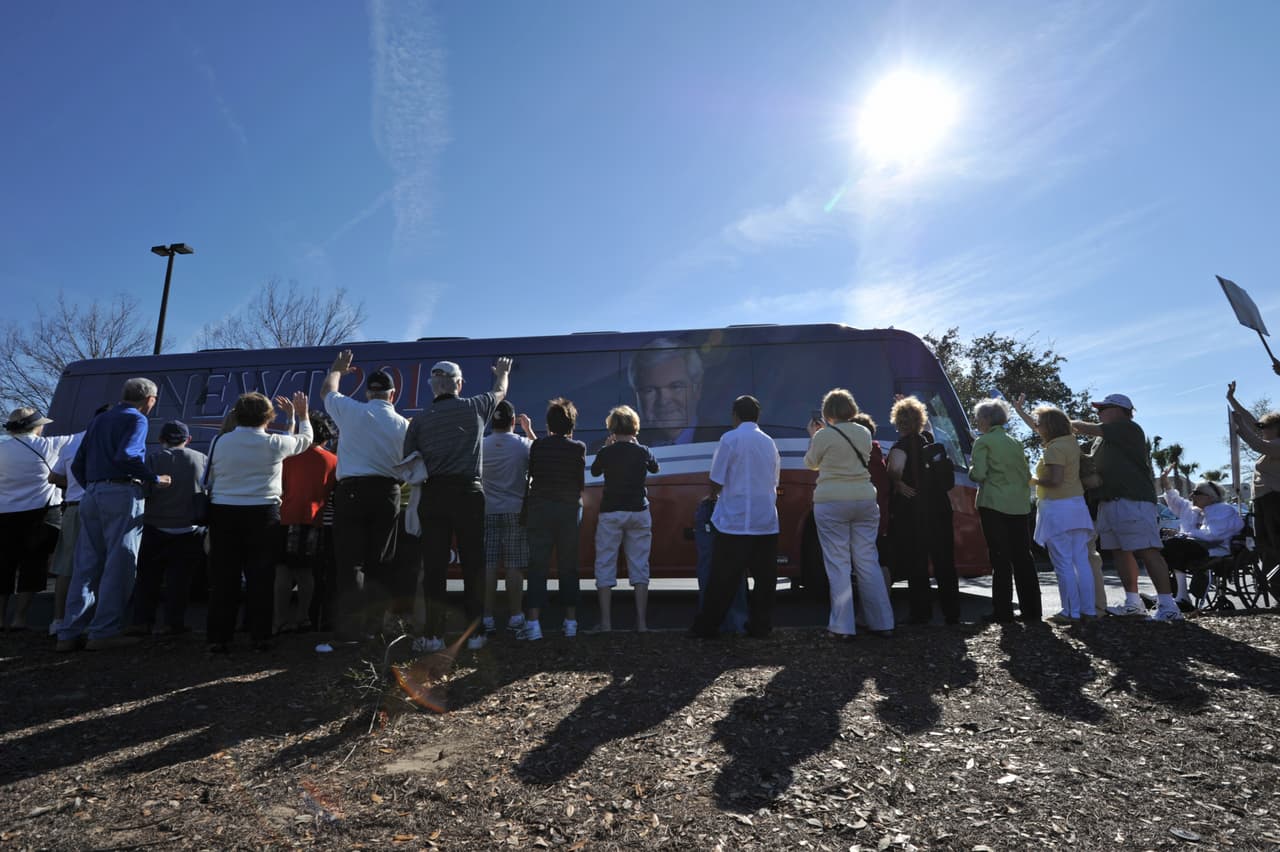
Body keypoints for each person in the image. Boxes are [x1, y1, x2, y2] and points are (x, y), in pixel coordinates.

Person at [404, 357, 512, 652]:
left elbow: (409, 464)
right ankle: (474, 634)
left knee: (435, 566)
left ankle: (433, 635)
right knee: (473, 564)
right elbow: (500, 392)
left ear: (432, 387)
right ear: (459, 384)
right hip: (468, 493)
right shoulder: (475, 407)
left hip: (434, 493)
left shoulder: (420, 420)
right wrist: (502, 373)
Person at [58, 379, 172, 651]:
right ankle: (103, 632)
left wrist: (93, 486)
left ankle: (69, 632)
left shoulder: (100, 420)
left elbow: (78, 463)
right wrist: (154, 478)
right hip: (121, 492)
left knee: (86, 564)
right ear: (150, 400)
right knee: (119, 564)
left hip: (92, 494)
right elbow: (127, 456)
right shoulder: (137, 420)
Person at [205, 391, 313, 652]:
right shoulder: (274, 444)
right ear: (268, 416)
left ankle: (219, 638)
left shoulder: (219, 441)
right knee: (261, 577)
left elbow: (209, 480)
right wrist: (302, 415)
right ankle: (260, 635)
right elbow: (305, 440)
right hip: (262, 513)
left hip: (223, 511)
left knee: (224, 577)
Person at [1070, 393, 1181, 621]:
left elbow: (1082, 428)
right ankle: (1133, 603)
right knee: (1120, 551)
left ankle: (1168, 606)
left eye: (1103, 408)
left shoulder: (1128, 428)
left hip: (1133, 500)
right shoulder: (1102, 438)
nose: (1099, 412)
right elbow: (1084, 456)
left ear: (1120, 409)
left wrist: (1061, 423)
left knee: (1148, 550)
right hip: (1109, 500)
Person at [323, 351, 410, 637]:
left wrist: (336, 369)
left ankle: (351, 629)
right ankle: (376, 628)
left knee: (350, 562)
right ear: (392, 394)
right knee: (381, 561)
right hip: (387, 492)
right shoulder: (403, 425)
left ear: (368, 392)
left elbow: (328, 391)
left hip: (350, 492)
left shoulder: (351, 411)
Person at [804, 389, 893, 639]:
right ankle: (883, 622)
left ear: (828, 412)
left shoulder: (824, 435)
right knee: (868, 561)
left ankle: (842, 627)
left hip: (832, 501)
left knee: (838, 563)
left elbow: (811, 463)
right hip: (865, 499)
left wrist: (814, 436)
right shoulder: (864, 432)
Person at [690, 395, 781, 638]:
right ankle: (761, 626)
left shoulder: (729, 439)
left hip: (735, 521)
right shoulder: (769, 442)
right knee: (765, 581)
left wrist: (711, 497)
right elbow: (774, 479)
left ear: (735, 415)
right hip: (765, 522)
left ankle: (707, 627)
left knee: (722, 579)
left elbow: (717, 478)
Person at [517, 398, 586, 641]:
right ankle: (570, 623)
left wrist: (529, 432)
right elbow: (580, 484)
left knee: (538, 565)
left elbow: (535, 467)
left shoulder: (538, 447)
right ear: (571, 425)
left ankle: (534, 624)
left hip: (540, 509)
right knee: (569, 566)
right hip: (568, 510)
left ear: (549, 424)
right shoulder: (578, 448)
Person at [129, 420, 207, 636]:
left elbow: (143, 491)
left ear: (161, 439)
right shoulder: (200, 459)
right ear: (188, 439)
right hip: (189, 529)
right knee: (180, 581)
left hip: (155, 526)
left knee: (148, 579)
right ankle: (174, 623)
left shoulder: (153, 460)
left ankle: (142, 621)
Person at [1021, 403, 1096, 624]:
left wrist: (1030, 479)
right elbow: (1036, 427)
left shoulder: (1054, 449)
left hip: (1057, 508)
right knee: (1081, 561)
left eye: (1040, 423)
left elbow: (1054, 481)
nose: (1037, 426)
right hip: (1077, 507)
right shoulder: (1071, 442)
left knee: (1063, 562)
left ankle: (1070, 612)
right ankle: (1088, 611)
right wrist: (1019, 411)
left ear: (1049, 427)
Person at [887, 396, 959, 625]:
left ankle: (921, 612)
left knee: (917, 562)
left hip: (915, 511)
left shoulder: (901, 446)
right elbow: (925, 426)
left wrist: (897, 483)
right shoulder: (930, 441)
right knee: (944, 562)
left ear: (898, 423)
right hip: (940, 509)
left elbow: (895, 468)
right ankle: (952, 612)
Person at [1, 407, 74, 631]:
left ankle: (0, 619)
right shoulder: (50, 445)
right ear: (37, 426)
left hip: (3, 515)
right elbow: (84, 435)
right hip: (42, 514)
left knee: (3, 567)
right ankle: (19, 618)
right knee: (34, 566)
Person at [968, 397, 1038, 624]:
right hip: (1019, 505)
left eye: (978, 418)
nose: (977, 422)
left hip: (994, 504)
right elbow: (1027, 476)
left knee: (1000, 559)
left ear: (987, 419)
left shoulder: (983, 442)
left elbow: (978, 474)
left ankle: (1003, 611)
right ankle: (1032, 611)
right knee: (1023, 558)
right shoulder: (1015, 442)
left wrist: (970, 469)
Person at [591, 404, 660, 633]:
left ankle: (606, 623)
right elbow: (655, 468)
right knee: (640, 566)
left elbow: (595, 472)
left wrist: (606, 447)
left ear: (612, 428)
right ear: (634, 427)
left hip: (611, 512)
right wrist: (637, 446)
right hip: (639, 511)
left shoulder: (606, 452)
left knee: (605, 564)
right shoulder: (643, 451)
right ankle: (641, 623)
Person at [275, 411, 338, 633]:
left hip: (286, 515)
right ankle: (304, 617)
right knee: (306, 572)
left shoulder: (289, 457)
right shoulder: (333, 460)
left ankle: (280, 619)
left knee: (283, 570)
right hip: (315, 519)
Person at [47, 407, 107, 635]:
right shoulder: (110, 440)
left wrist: (73, 486)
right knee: (98, 565)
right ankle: (93, 622)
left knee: (67, 567)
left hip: (73, 508)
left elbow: (53, 477)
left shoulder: (72, 442)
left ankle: (59, 620)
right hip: (100, 507)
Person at [480, 401, 536, 635]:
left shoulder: (480, 446)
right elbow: (541, 450)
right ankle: (515, 616)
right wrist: (529, 429)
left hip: (487, 510)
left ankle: (487, 618)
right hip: (516, 510)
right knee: (514, 566)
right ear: (513, 421)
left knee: (489, 566)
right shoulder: (524, 445)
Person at [1159, 473, 1243, 610]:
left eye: (1196, 493)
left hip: (1216, 548)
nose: (1192, 496)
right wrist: (1166, 484)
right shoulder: (1192, 509)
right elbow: (1175, 501)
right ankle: (1172, 596)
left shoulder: (1223, 510)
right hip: (1196, 546)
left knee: (1174, 545)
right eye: (1192, 492)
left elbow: (1213, 535)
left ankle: (1182, 597)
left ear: (1210, 497)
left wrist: (1183, 535)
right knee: (1163, 547)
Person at [1227, 381, 1280, 593]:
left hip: (1275, 500)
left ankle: (1276, 583)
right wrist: (1232, 400)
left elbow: (1257, 443)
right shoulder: (1270, 445)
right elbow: (1251, 420)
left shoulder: (1276, 445)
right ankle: (1274, 585)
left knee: (1276, 543)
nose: (1261, 429)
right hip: (1263, 500)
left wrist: (1240, 429)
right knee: (1265, 544)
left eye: (1265, 427)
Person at [628, 340, 705, 447]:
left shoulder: (724, 440)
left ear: (697, 390)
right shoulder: (613, 447)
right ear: (636, 396)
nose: (663, 401)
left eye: (675, 387)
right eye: (649, 390)